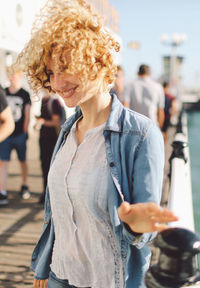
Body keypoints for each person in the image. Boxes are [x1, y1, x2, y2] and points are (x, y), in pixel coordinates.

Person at [13, 1, 178, 287]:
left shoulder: (140, 135)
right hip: (59, 275)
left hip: (108, 279)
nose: (57, 82)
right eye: (51, 72)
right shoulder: (66, 131)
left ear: (95, 61)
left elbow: (143, 229)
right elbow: (58, 214)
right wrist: (43, 268)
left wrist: (136, 221)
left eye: (66, 68)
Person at [0, 69, 31, 205]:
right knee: (3, 162)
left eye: (14, 75)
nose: (12, 78)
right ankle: (2, 192)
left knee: (22, 161)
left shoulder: (24, 94)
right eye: (10, 75)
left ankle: (25, 184)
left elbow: (27, 113)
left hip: (19, 133)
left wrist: (25, 131)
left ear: (19, 76)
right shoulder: (4, 92)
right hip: (5, 136)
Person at [35, 93, 64, 204]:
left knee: (50, 168)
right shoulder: (44, 99)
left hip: (52, 140)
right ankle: (46, 194)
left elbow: (56, 121)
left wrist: (42, 122)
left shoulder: (54, 101)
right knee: (45, 167)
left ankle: (50, 196)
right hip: (44, 139)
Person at [123, 64, 165, 129]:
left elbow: (125, 107)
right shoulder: (158, 87)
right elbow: (161, 111)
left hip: (134, 127)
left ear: (138, 73)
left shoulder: (129, 85)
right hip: (152, 126)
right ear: (149, 73)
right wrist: (159, 129)